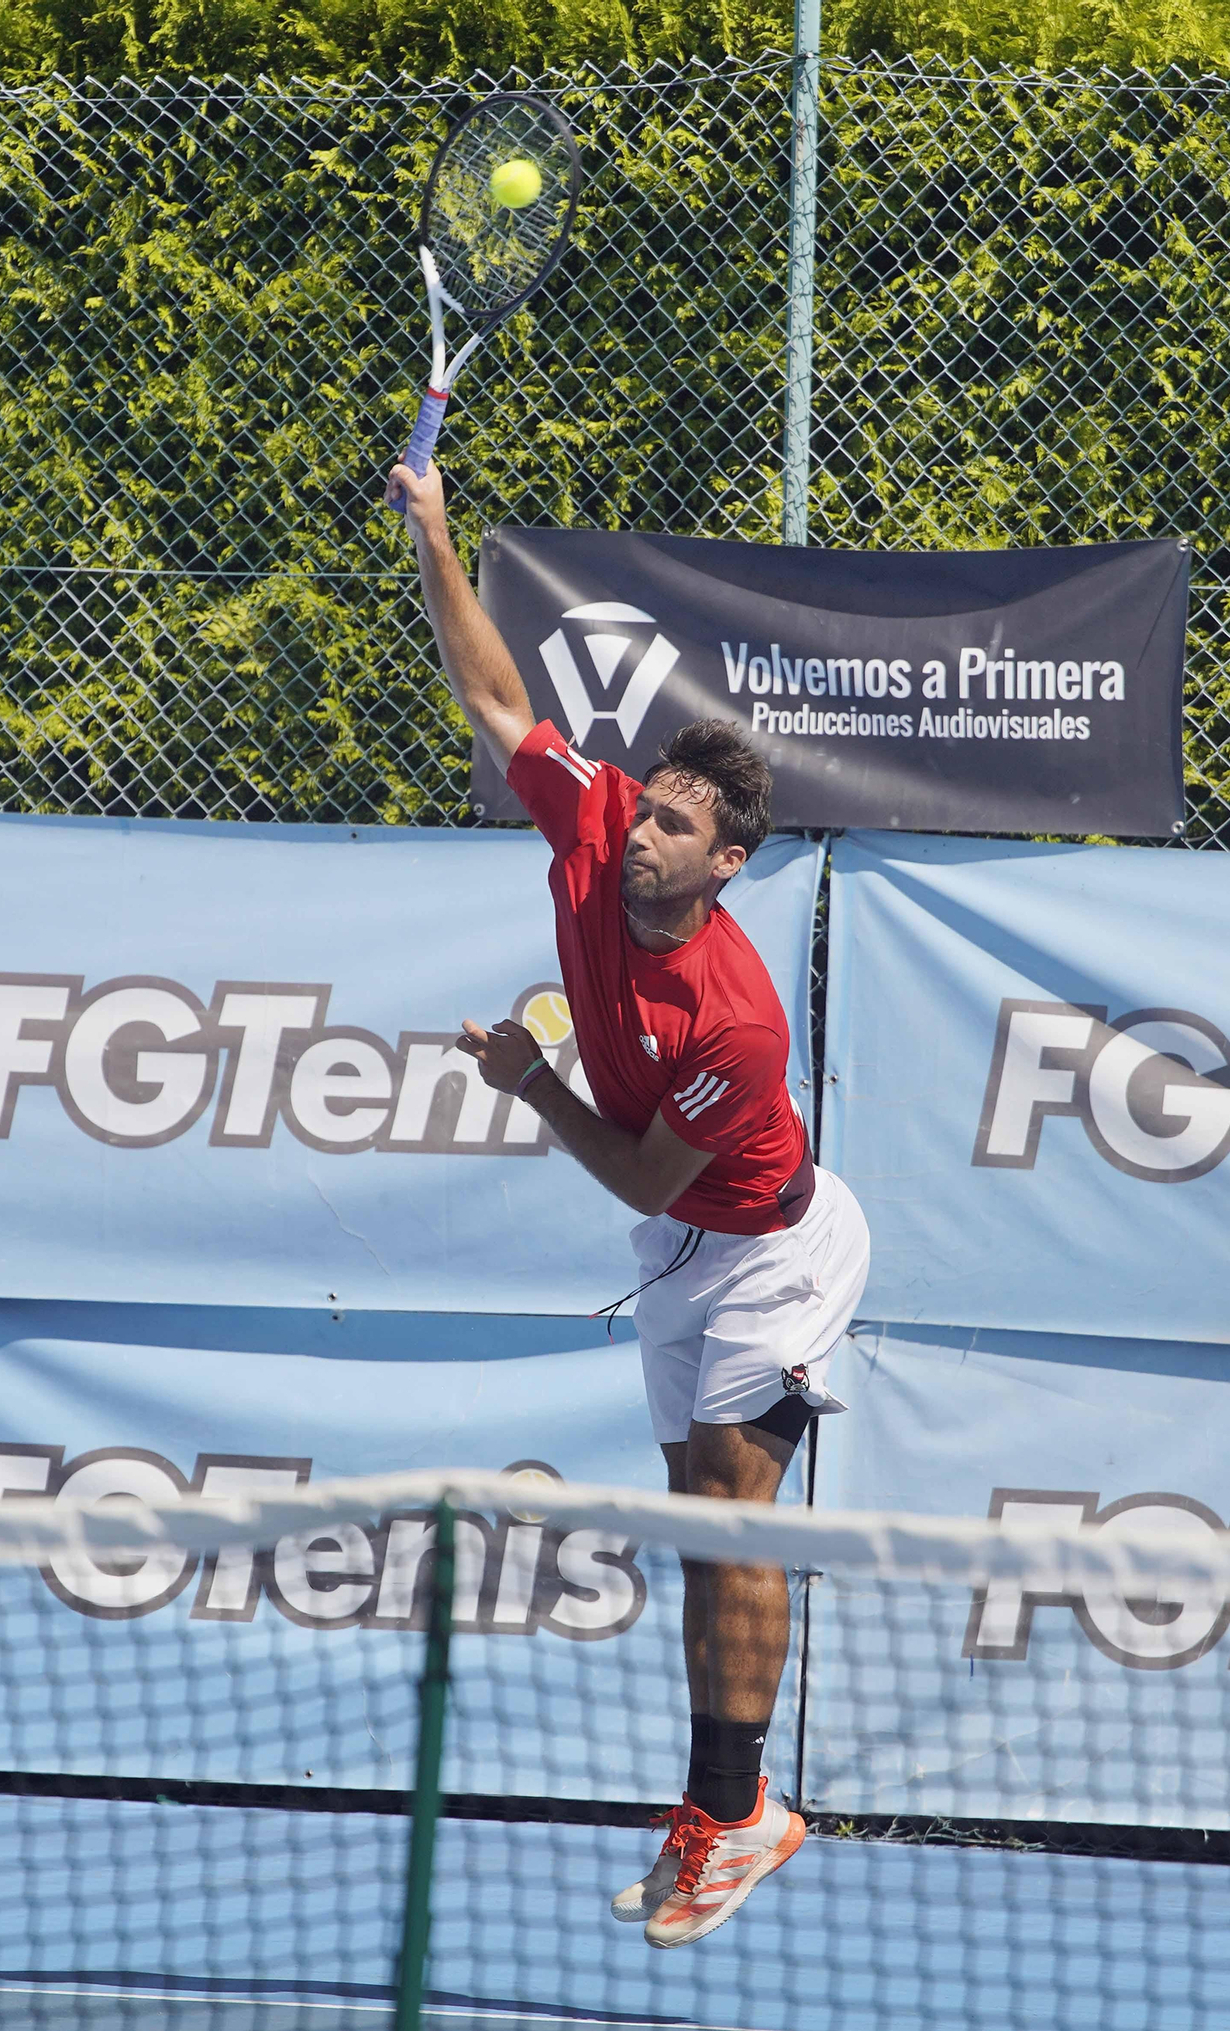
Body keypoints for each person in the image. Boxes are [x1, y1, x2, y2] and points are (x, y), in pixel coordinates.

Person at [389, 459, 871, 1950]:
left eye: (677, 826)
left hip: (774, 1253)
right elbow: (492, 695)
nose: (643, 829)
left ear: (731, 865)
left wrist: (531, 1085)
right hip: (678, 1249)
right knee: (697, 1531)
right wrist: (435, 537)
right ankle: (722, 1804)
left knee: (738, 1526)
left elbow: (643, 1163)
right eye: (647, 807)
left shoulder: (735, 1017)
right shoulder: (590, 827)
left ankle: (740, 1816)